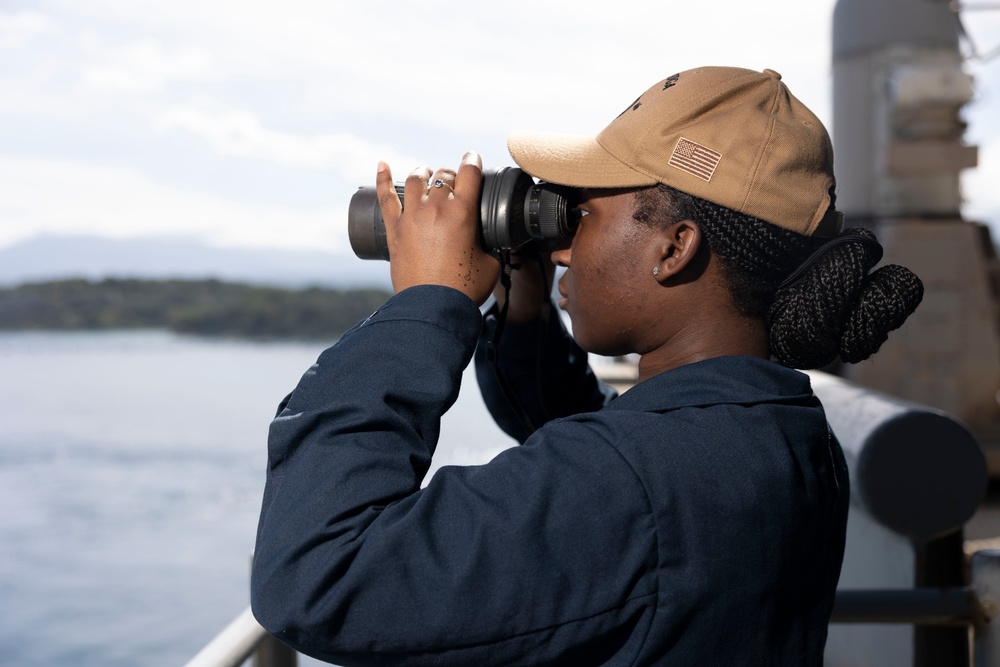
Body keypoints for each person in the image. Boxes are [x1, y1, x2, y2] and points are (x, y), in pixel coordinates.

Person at [251, 66, 923, 665]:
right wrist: (523, 308)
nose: (563, 250)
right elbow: (594, 433)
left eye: (585, 216)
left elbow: (317, 573)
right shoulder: (785, 432)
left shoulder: (634, 482)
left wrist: (431, 302)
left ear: (673, 247)